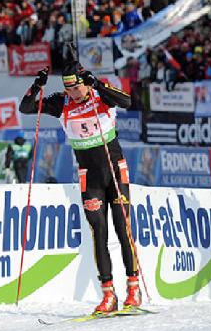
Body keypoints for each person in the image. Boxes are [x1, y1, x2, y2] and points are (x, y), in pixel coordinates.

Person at [20, 61, 139, 314]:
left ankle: (133, 287)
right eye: (69, 89)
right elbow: (27, 107)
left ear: (85, 83)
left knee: (122, 227)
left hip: (115, 171)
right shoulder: (62, 103)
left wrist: (96, 84)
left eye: (76, 88)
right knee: (99, 232)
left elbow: (127, 101)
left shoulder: (100, 93)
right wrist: (37, 85)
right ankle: (108, 294)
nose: (74, 94)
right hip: (90, 177)